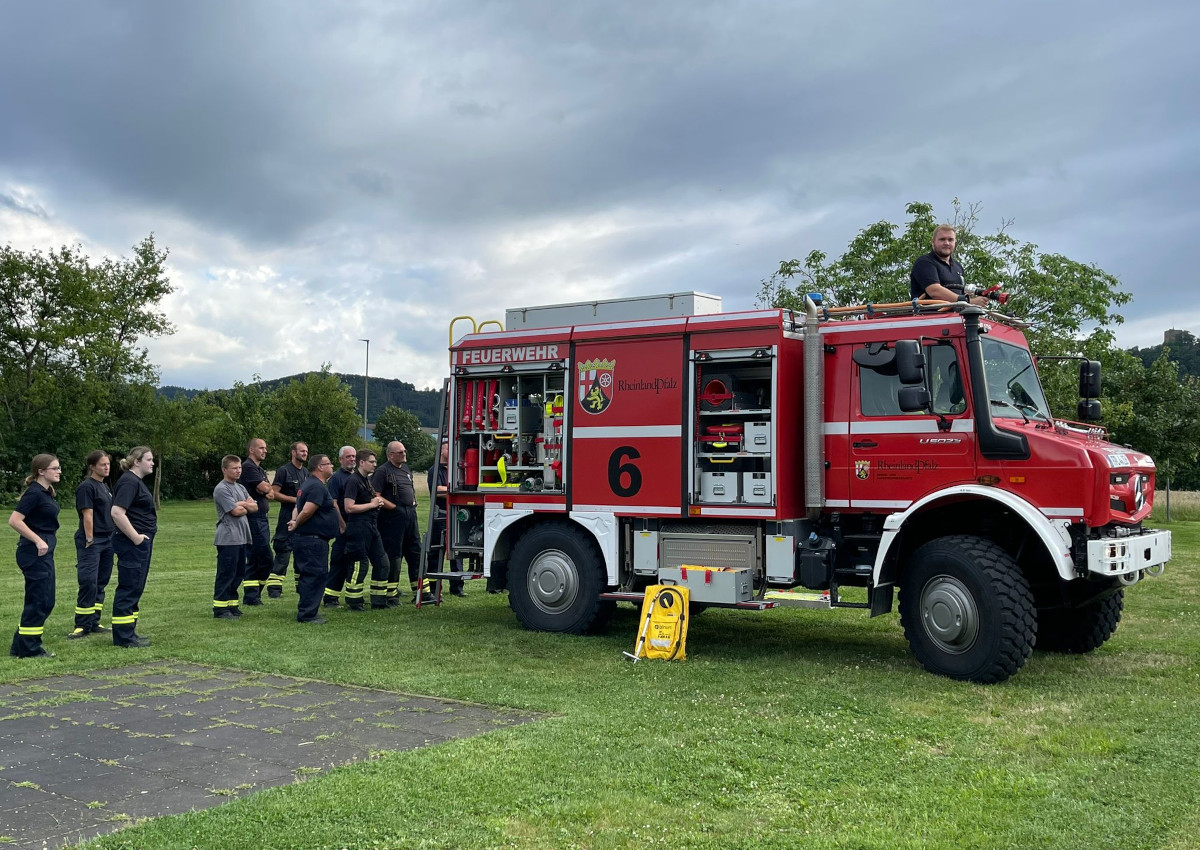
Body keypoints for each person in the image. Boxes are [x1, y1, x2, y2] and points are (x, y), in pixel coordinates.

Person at [8, 454, 63, 658]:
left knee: (47, 600)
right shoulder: (34, 493)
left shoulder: (46, 493)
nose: (59, 471)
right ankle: (30, 649)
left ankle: (20, 645)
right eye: (55, 468)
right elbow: (14, 520)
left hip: (44, 553)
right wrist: (38, 540)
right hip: (33, 553)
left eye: (59, 468)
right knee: (39, 600)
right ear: (41, 471)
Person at [110, 446, 157, 648]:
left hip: (139, 543)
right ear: (136, 461)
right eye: (149, 459)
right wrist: (136, 537)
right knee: (129, 587)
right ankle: (123, 638)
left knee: (136, 587)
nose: (152, 463)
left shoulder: (135, 482)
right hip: (132, 543)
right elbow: (117, 512)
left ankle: (130, 632)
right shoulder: (129, 482)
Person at [372, 441, 428, 606]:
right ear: (390, 455)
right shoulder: (382, 472)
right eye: (400, 452)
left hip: (410, 515)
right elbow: (376, 495)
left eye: (404, 451)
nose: (404, 454)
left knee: (416, 552)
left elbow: (409, 488)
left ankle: (421, 592)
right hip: (392, 518)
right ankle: (391, 595)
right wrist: (394, 507)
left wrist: (414, 501)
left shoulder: (405, 468)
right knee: (394, 555)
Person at [69, 450, 114, 639]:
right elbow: (87, 514)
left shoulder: (104, 486)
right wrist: (89, 538)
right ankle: (82, 623)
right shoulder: (87, 487)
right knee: (88, 580)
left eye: (108, 464)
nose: (106, 467)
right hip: (93, 540)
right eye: (102, 464)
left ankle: (94, 620)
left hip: (108, 539)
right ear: (92, 466)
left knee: (101, 581)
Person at [288, 454, 338, 624]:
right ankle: (307, 615)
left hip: (308, 540)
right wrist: (296, 524)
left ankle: (308, 610)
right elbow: (308, 510)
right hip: (313, 541)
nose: (332, 466)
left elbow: (297, 506)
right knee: (314, 575)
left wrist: (295, 520)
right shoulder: (317, 486)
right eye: (329, 463)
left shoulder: (307, 484)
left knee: (309, 575)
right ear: (320, 467)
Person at [342, 449, 391, 609]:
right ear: (361, 462)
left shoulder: (367, 480)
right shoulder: (353, 481)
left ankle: (378, 600)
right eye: (371, 461)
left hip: (371, 526)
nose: (375, 465)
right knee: (359, 564)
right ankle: (354, 602)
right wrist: (372, 504)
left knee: (382, 563)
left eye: (375, 462)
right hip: (358, 527)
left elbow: (369, 501)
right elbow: (349, 507)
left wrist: (376, 502)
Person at [213, 455, 257, 619]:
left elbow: (254, 507)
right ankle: (220, 608)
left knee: (238, 573)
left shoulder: (241, 487)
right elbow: (236, 511)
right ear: (225, 470)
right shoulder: (221, 489)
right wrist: (243, 505)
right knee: (226, 573)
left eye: (239, 468)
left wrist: (242, 504)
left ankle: (232, 604)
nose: (238, 471)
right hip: (228, 537)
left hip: (242, 536)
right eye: (234, 468)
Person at [267, 441, 309, 598]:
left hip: (302, 519)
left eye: (306, 451)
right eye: (301, 451)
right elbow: (274, 493)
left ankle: (301, 587)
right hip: (286, 517)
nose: (304, 454)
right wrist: (294, 500)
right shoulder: (284, 471)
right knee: (283, 553)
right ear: (293, 452)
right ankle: (274, 590)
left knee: (301, 554)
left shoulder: (305, 472)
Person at [909, 225, 987, 306]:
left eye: (950, 240)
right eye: (942, 239)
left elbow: (961, 293)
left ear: (954, 242)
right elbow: (934, 291)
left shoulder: (958, 267)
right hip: (928, 316)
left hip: (956, 317)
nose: (946, 243)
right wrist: (968, 301)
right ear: (933, 242)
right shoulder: (924, 262)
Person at [323, 445, 360, 608]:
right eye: (348, 457)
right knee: (339, 561)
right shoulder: (337, 478)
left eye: (353, 456)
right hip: (344, 526)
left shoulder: (358, 476)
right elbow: (333, 503)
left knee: (352, 561)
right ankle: (330, 597)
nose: (352, 459)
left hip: (357, 525)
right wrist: (342, 524)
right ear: (340, 460)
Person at [238, 438, 274, 606]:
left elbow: (270, 493)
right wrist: (265, 488)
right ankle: (252, 596)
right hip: (253, 519)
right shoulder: (248, 468)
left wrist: (265, 488)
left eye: (265, 448)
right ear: (251, 450)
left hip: (262, 518)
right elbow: (267, 489)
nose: (264, 451)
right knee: (260, 557)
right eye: (261, 448)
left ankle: (254, 594)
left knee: (262, 558)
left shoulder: (259, 469)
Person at [427, 440, 465, 596]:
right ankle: (434, 588)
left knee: (457, 552)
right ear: (441, 451)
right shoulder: (434, 470)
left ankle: (457, 587)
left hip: (454, 514)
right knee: (437, 553)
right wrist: (453, 488)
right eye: (448, 447)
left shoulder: (456, 469)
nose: (451, 450)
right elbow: (437, 490)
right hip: (440, 516)